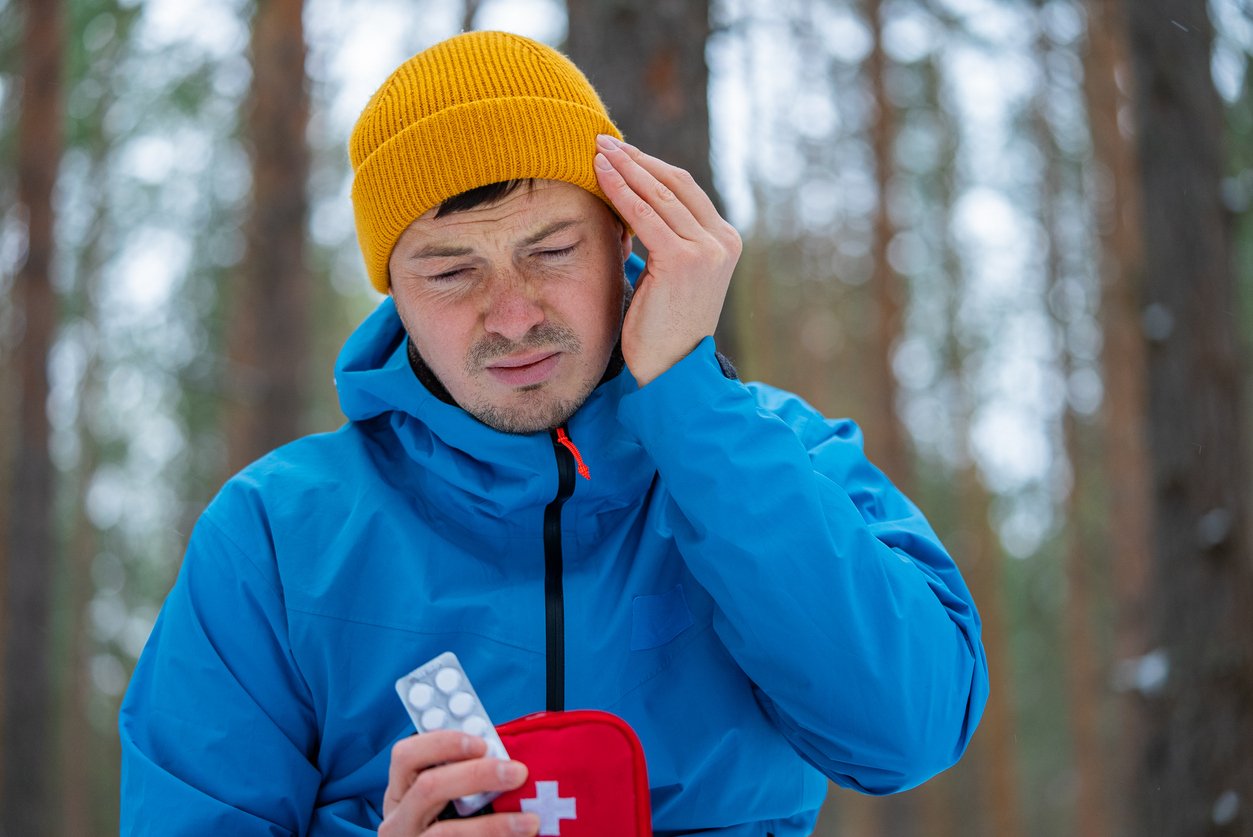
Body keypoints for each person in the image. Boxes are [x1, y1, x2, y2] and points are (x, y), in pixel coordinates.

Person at [119, 30, 989, 836]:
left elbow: (904, 732)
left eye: (550, 250)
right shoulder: (274, 535)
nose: (510, 315)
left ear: (626, 235)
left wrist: (689, 402)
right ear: (393, 290)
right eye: (452, 270)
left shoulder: (780, 457)